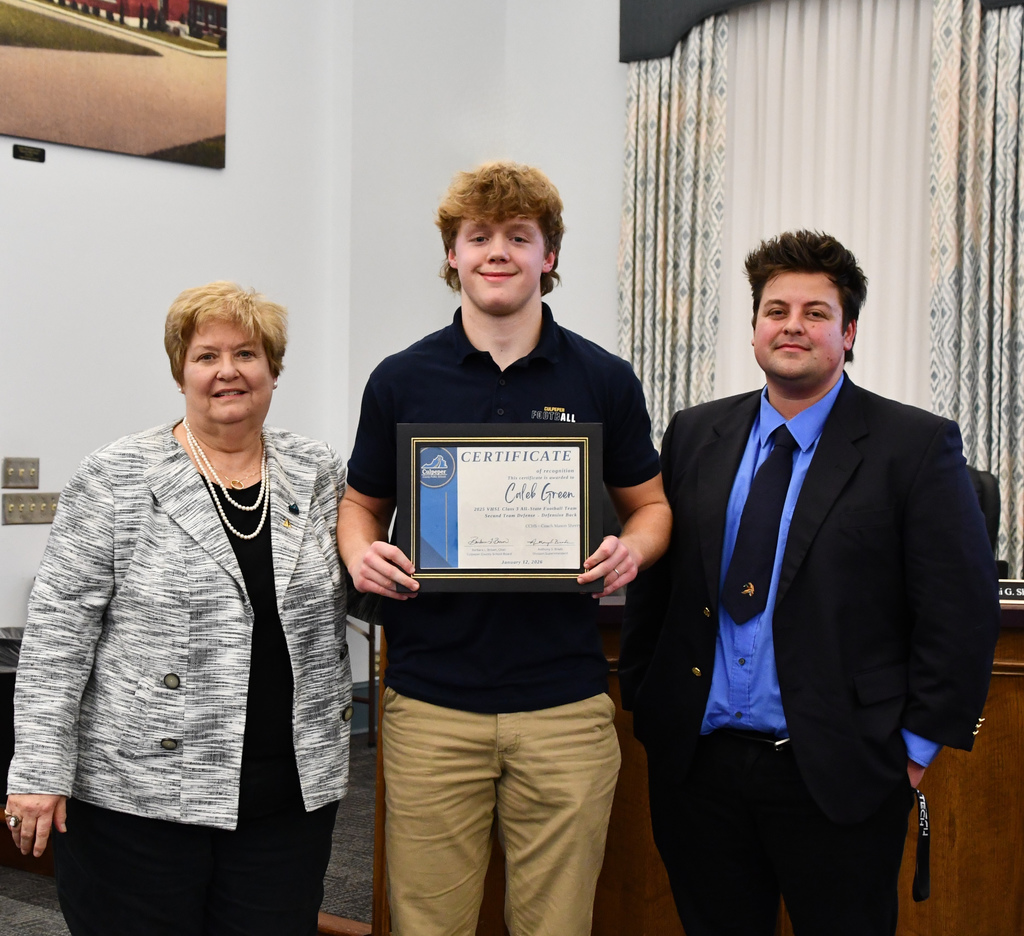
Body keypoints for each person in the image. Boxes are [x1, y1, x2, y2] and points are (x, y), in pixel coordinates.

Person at [619, 230, 1001, 936]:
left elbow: (961, 612)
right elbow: (658, 589)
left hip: (840, 771)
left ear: (848, 332)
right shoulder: (694, 434)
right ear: (755, 327)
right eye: (776, 309)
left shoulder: (913, 446)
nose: (793, 324)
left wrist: (913, 754)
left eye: (816, 312)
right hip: (700, 769)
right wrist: (646, 701)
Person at [337, 160, 671, 936]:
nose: (497, 252)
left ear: (548, 257)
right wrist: (360, 552)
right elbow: (360, 507)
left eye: (519, 237)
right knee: (427, 926)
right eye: (478, 236)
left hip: (565, 706)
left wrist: (634, 551)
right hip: (429, 703)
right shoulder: (399, 379)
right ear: (451, 255)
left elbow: (650, 507)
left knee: (556, 927)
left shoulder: (604, 379)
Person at [3, 282, 352, 936]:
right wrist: (39, 772)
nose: (228, 371)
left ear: (274, 369)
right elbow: (57, 637)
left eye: (247, 353)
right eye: (206, 356)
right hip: (138, 799)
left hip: (285, 797)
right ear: (180, 372)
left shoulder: (318, 470)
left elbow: (355, 579)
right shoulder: (116, 473)